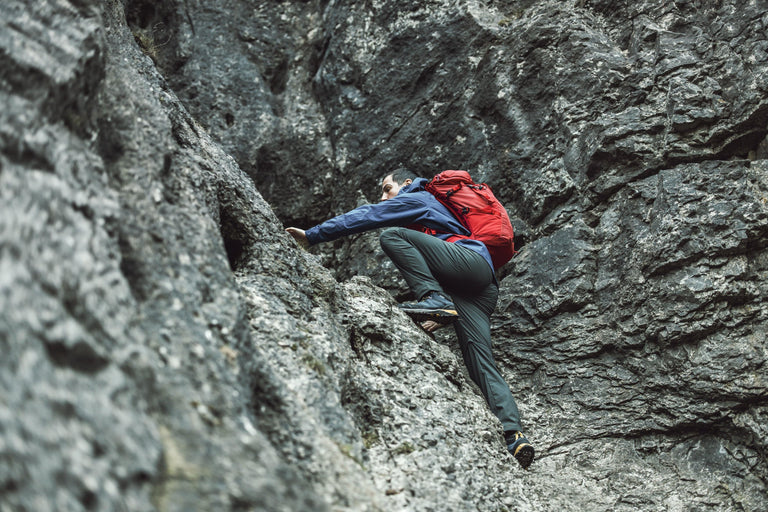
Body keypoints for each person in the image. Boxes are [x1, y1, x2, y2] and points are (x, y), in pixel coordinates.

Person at [285, 168, 535, 469]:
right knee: (481, 361)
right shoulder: (438, 213)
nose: (383, 195)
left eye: (387, 188)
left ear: (405, 184)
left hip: (468, 263)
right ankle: (514, 435)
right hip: (480, 286)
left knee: (392, 235)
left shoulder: (420, 197)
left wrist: (313, 235)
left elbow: (371, 214)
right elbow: (443, 256)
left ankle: (435, 299)